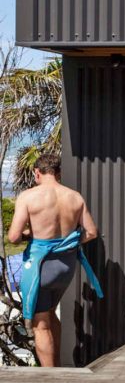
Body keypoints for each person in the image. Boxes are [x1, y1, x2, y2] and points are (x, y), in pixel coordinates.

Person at [7, 154, 102, 367]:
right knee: (50, 312)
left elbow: (13, 237)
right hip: (66, 266)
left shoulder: (28, 196)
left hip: (41, 267)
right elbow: (92, 232)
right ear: (58, 173)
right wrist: (69, 242)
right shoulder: (74, 197)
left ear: (37, 173)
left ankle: (50, 376)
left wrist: (31, 235)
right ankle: (57, 365)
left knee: (40, 324)